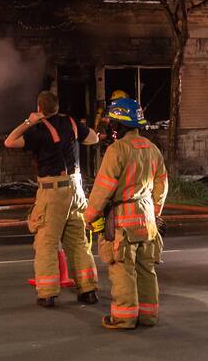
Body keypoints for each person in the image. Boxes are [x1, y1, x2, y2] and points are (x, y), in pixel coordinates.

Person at [5, 90, 101, 307]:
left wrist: (28, 122)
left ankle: (47, 293)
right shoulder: (72, 124)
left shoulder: (37, 130)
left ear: (39, 109)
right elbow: (94, 138)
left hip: (52, 191)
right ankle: (89, 290)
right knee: (78, 241)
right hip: (76, 190)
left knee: (46, 243)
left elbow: (10, 142)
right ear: (58, 107)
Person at [84, 98, 168, 330]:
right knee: (146, 269)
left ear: (119, 125)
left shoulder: (117, 150)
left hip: (123, 220)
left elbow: (103, 187)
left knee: (122, 269)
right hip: (148, 218)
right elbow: (162, 184)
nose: (111, 127)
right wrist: (156, 210)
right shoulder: (152, 149)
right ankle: (148, 316)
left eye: (112, 123)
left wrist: (89, 216)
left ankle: (124, 317)